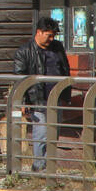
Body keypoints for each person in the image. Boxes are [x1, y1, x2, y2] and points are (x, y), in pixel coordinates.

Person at [14, 16, 70, 172]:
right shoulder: (24, 52)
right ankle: (39, 167)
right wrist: (23, 101)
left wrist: (66, 95)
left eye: (53, 36)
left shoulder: (57, 47)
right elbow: (20, 79)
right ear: (39, 32)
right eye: (49, 35)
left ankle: (48, 165)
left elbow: (65, 69)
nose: (52, 39)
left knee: (54, 133)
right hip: (37, 99)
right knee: (42, 133)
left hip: (56, 97)